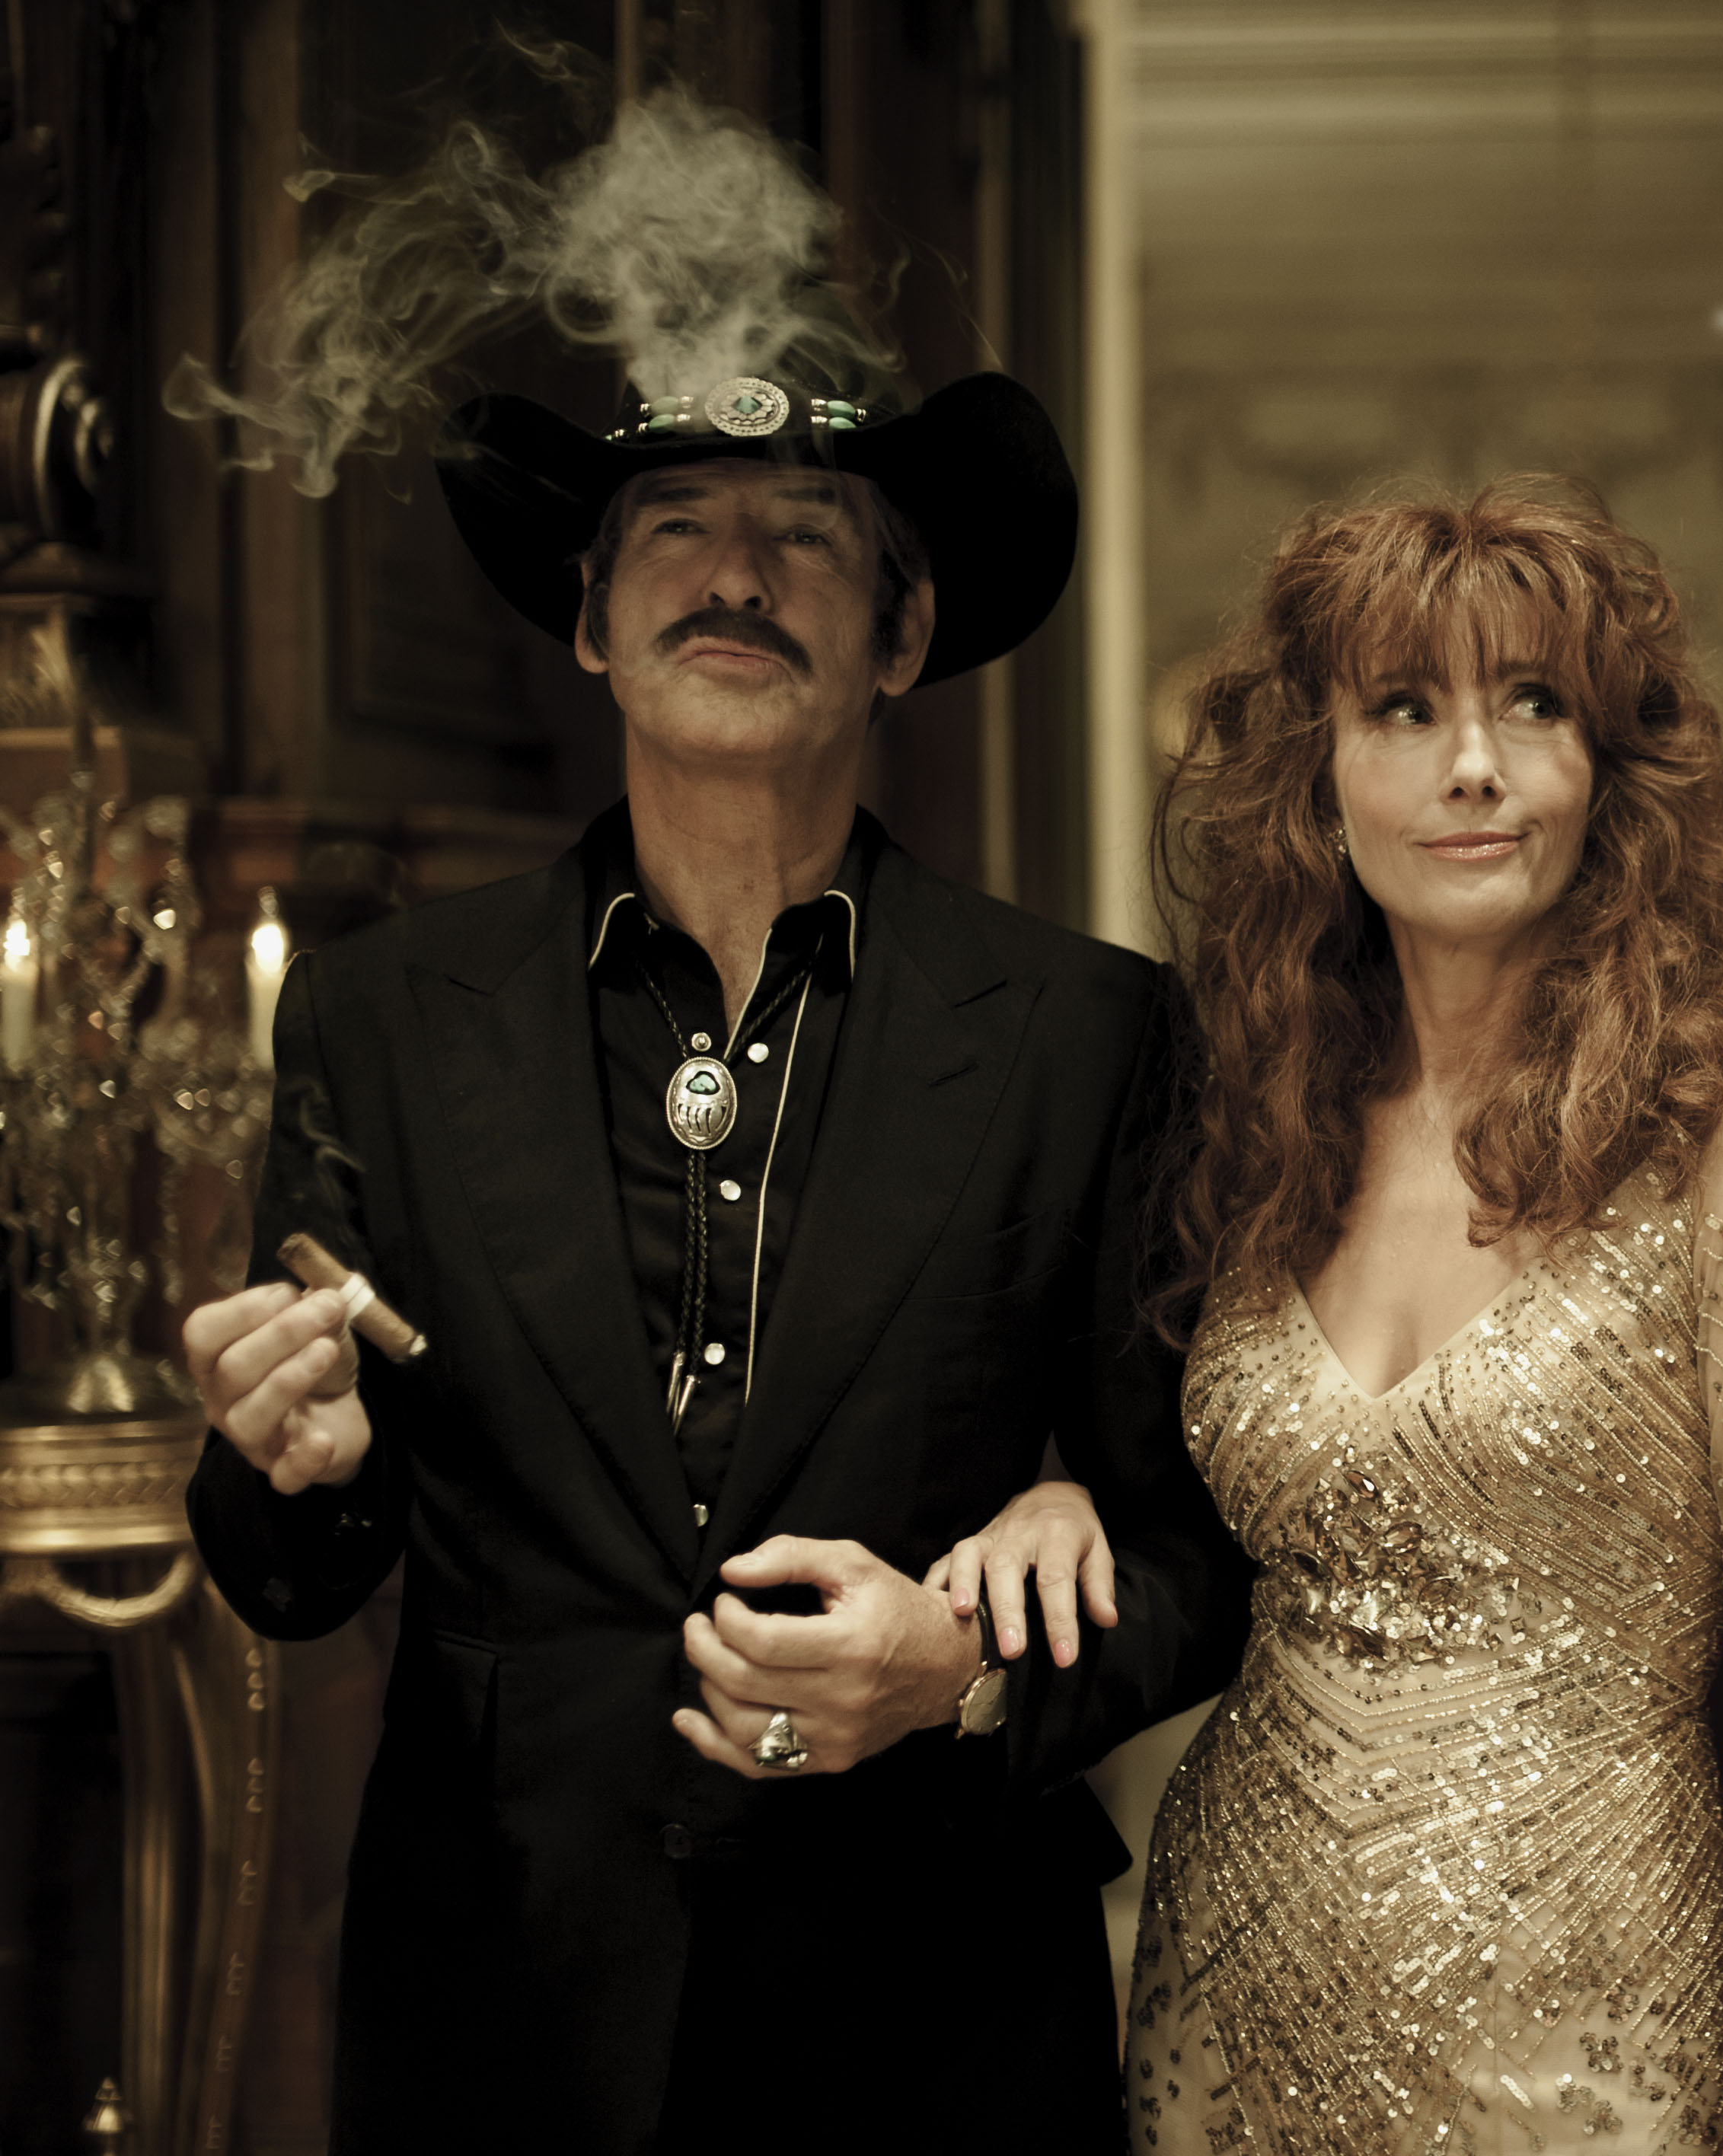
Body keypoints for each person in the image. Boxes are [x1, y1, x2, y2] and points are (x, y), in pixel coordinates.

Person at [179, 366, 1249, 2152]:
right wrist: (294, 1463)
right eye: (675, 528)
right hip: (501, 2014)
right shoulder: (379, 1019)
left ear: (902, 635)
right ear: (592, 620)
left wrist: (964, 1672)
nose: (734, 575)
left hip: (934, 2022)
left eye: (805, 535)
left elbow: (1197, 1554)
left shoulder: (1087, 1032)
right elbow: (287, 1569)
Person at [947, 480, 1723, 2152]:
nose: (1472, 765)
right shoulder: (1253, 1123)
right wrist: (1057, 1487)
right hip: (1229, 2002)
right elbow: (1156, 1489)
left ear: (1608, 775)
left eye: (1532, 707)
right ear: (1318, 779)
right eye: (1403, 709)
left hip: (1598, 2026)